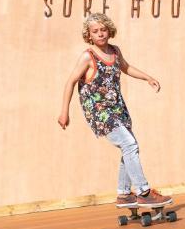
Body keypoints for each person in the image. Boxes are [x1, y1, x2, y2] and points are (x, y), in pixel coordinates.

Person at [57, 13, 171, 208]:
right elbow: (70, 82)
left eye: (103, 30)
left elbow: (125, 67)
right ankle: (143, 192)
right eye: (95, 31)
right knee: (130, 145)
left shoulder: (115, 51)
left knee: (129, 146)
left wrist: (147, 78)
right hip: (99, 111)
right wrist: (64, 111)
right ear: (89, 35)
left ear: (109, 30)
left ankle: (124, 194)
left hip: (118, 108)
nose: (100, 34)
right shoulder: (88, 56)